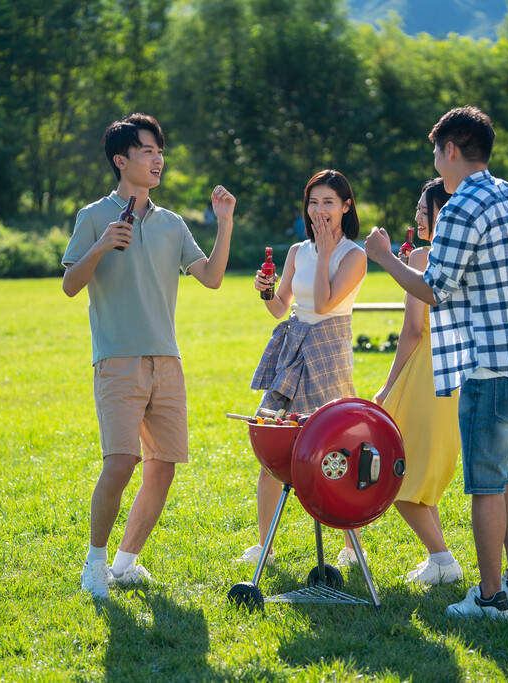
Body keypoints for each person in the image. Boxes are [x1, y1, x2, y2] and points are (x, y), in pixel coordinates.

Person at [365, 106, 508, 619]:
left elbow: (434, 290)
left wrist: (386, 257)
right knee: (503, 474)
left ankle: (489, 595)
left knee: (484, 482)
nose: (436, 163)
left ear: (451, 150)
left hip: (491, 364)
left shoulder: (459, 207)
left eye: (436, 152)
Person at [62, 113, 236, 600]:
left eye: (160, 151)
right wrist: (100, 246)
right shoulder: (94, 216)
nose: (158, 159)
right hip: (117, 358)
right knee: (121, 462)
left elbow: (212, 276)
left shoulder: (171, 223)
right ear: (121, 160)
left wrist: (224, 224)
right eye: (147, 150)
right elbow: (70, 285)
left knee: (163, 465)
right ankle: (94, 564)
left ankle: (126, 563)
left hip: (167, 359)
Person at [242, 169, 368, 567]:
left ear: (346, 206)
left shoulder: (354, 255)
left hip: (329, 351)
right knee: (270, 439)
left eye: (329, 202)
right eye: (313, 202)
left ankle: (351, 547)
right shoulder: (298, 251)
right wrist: (267, 289)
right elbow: (281, 307)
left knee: (336, 450)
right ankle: (265, 546)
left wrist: (327, 251)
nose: (319, 210)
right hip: (293, 348)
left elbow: (327, 302)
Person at [372, 178, 463, 587]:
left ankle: (442, 556)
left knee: (401, 477)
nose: (417, 217)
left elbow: (412, 330)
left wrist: (388, 385)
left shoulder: (425, 257)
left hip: (424, 372)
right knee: (423, 470)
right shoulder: (464, 255)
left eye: (424, 211)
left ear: (443, 211)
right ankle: (439, 562)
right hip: (456, 373)